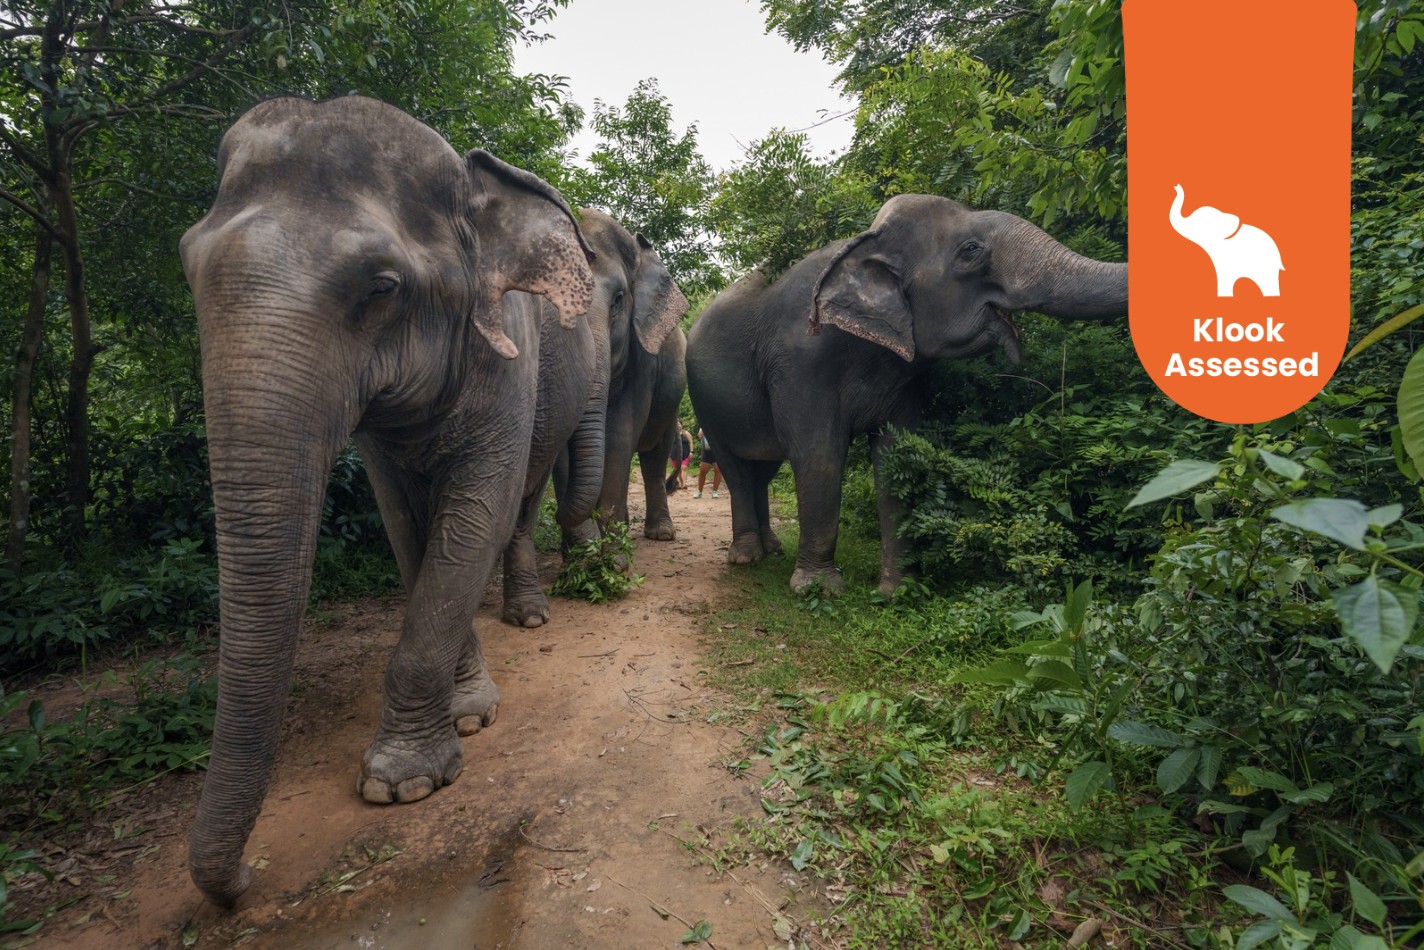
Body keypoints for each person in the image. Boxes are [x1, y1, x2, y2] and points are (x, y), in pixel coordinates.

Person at [694, 428, 723, 498]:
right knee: (703, 471)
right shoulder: (705, 424)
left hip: (717, 451)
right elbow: (699, 435)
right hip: (706, 451)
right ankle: (699, 491)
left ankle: (714, 491)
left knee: (718, 470)